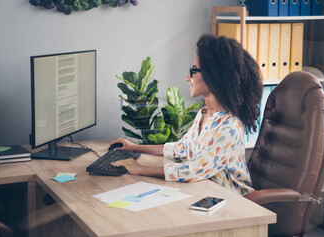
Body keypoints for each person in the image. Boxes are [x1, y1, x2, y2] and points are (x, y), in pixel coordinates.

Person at [110, 34, 263, 196]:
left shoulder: (229, 127)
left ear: (214, 76)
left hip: (232, 201)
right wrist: (133, 147)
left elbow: (193, 170)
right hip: (205, 191)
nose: (187, 78)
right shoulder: (204, 115)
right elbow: (180, 149)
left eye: (193, 72)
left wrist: (140, 168)